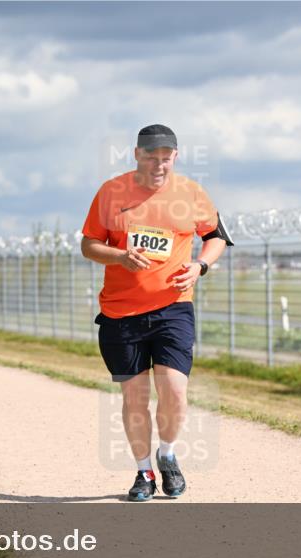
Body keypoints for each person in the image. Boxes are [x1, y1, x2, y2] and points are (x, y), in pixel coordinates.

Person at [81, 124, 232, 501]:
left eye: (166, 158)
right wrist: (119, 256)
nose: (159, 165)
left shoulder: (191, 193)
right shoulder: (111, 193)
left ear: (175, 158)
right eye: (151, 157)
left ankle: (167, 454)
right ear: (136, 155)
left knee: (175, 391)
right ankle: (143, 472)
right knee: (134, 398)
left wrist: (200, 266)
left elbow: (216, 236)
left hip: (173, 307)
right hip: (120, 314)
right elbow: (88, 244)